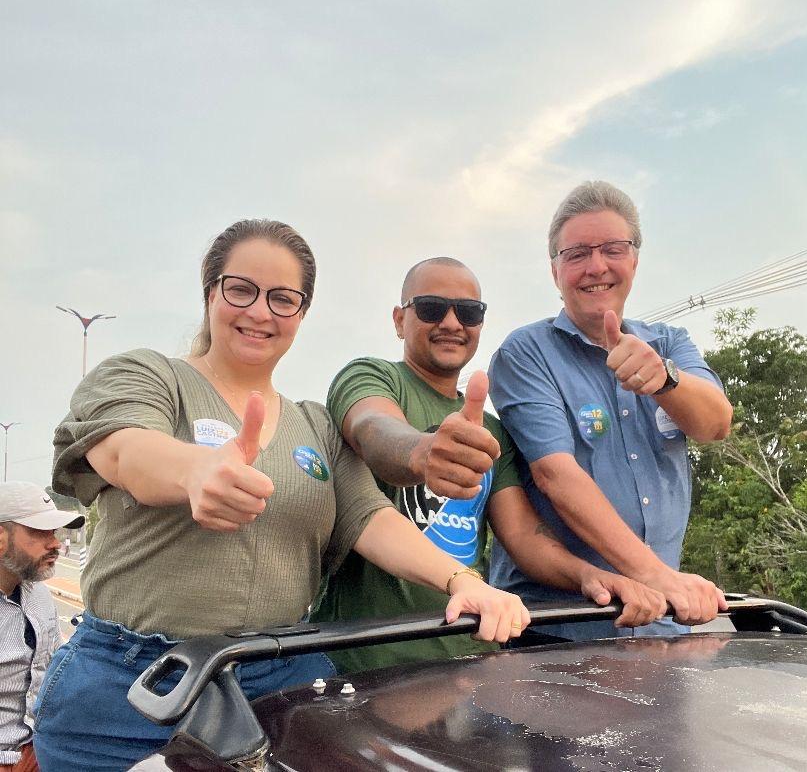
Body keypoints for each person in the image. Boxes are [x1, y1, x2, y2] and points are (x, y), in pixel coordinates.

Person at [34, 220, 528, 771]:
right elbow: (123, 449)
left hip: (279, 677)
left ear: (302, 313)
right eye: (240, 289)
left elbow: (369, 516)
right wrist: (196, 472)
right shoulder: (148, 375)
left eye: (283, 299)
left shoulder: (314, 425)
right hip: (128, 686)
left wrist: (462, 581)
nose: (260, 312)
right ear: (210, 292)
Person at [311, 257, 667, 672]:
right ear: (399, 319)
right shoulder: (371, 376)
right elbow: (372, 428)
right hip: (363, 661)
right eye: (430, 308)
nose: (451, 322)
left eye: (468, 312)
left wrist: (589, 576)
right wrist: (422, 453)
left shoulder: (493, 431)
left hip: (467, 657)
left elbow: (522, 535)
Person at [488, 181, 732, 640]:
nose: (595, 266)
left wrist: (665, 378)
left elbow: (715, 423)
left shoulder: (670, 344)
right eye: (577, 254)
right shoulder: (525, 352)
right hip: (557, 629)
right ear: (555, 270)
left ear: (635, 259)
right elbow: (555, 475)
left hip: (664, 624)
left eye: (612, 249)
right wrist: (656, 575)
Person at [0, 482, 84, 772]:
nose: (55, 543)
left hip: (42, 750)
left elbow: (52, 669)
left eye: (55, 532)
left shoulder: (39, 594)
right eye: (39, 532)